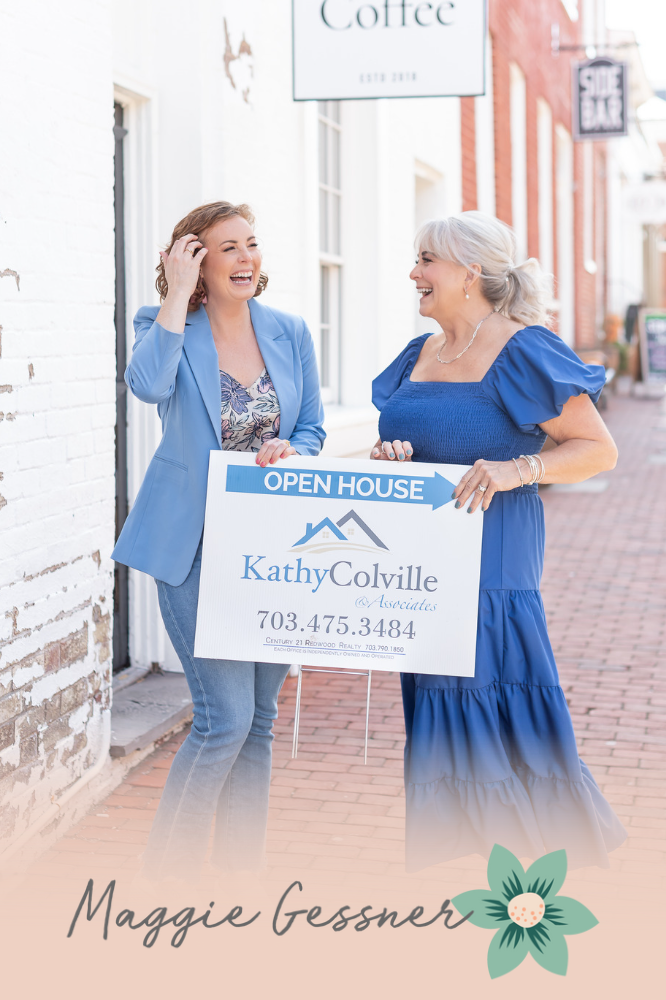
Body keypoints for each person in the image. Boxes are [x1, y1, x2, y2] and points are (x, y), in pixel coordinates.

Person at [370, 210, 626, 872]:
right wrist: (390, 459)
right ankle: (465, 869)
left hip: (493, 568)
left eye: (426, 260)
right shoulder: (418, 354)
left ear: (470, 272)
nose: (414, 273)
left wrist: (521, 468)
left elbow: (597, 449)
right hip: (421, 570)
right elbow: (415, 448)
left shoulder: (524, 350)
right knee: (440, 706)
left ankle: (529, 871)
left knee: (489, 701)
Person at [112, 201, 325, 883]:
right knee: (222, 720)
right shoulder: (163, 325)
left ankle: (240, 882)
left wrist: (292, 450)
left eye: (251, 243)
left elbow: (313, 427)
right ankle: (162, 884)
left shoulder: (290, 331)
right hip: (193, 545)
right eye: (227, 247)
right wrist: (177, 297)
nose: (246, 258)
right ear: (196, 261)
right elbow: (147, 386)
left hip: (272, 550)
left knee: (259, 719)